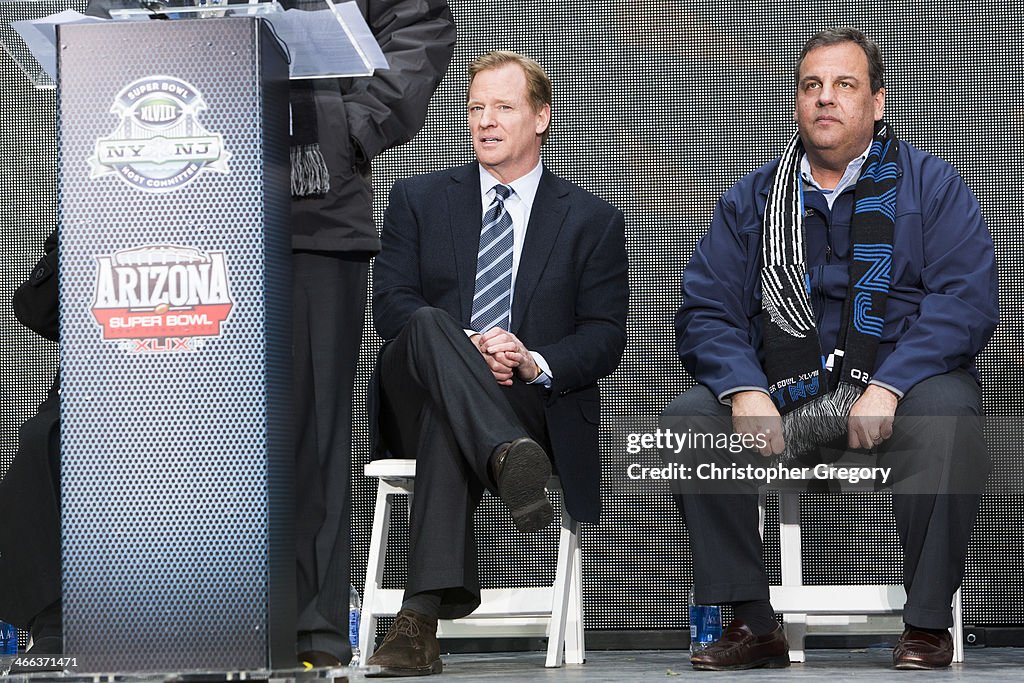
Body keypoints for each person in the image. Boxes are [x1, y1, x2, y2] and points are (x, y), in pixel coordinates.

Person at [80, 0, 456, 668]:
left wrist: (352, 125)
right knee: (180, 428)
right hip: (175, 206)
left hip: (313, 214)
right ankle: (181, 614)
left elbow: (419, 27)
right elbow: (107, 21)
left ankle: (307, 626)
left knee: (308, 430)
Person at [661, 28, 997, 671]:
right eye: (811, 85)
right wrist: (744, 387)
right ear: (796, 102)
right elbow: (706, 309)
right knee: (688, 425)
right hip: (782, 389)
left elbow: (964, 300)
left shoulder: (931, 185)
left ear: (876, 103)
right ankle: (753, 623)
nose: (826, 99)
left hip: (895, 387)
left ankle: (927, 622)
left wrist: (891, 384)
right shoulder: (754, 198)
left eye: (845, 85)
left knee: (948, 412)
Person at [366, 51, 628, 677]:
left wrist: (532, 358)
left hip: (522, 400)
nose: (485, 120)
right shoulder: (418, 199)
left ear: (540, 117)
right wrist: (467, 346)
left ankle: (418, 619)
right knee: (431, 324)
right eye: (476, 107)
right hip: (419, 382)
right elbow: (392, 307)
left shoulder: (590, 219)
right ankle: (505, 458)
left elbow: (603, 337)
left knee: (447, 419)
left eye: (503, 107)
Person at [0, 230, 62, 665]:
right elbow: (35, 310)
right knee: (38, 446)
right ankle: (57, 623)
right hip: (101, 382)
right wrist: (76, 239)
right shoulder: (101, 207)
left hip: (204, 376)